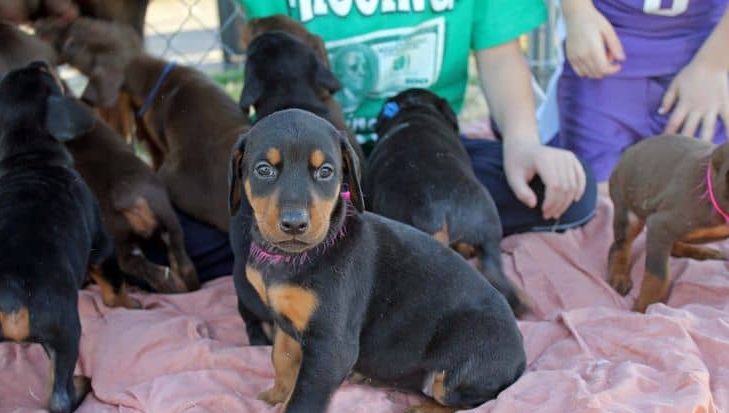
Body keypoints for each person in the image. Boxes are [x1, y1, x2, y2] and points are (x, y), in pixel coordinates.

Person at [237, 0, 597, 236]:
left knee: (569, 191)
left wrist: (523, 144)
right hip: (315, 163)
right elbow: (272, 59)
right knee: (227, 217)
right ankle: (392, 225)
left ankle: (370, 224)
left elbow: (500, 57)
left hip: (422, 153)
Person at [543, 0, 729, 182]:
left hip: (704, 48)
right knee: (599, 196)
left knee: (704, 193)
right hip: (609, 45)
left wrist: (712, 65)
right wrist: (578, 12)